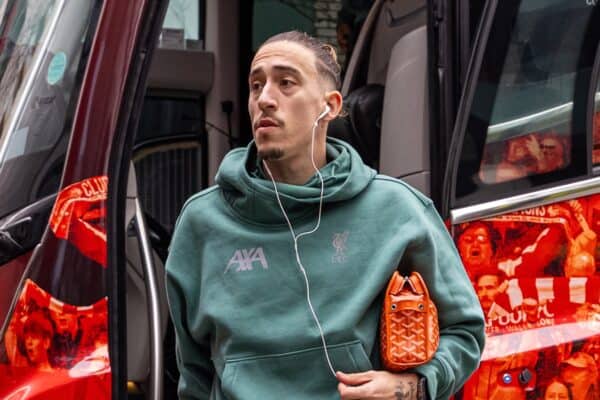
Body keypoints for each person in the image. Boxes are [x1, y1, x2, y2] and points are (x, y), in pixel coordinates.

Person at [165, 31, 485, 400]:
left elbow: (465, 331)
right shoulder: (202, 222)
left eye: (286, 83)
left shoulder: (398, 210)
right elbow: (194, 373)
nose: (265, 99)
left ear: (329, 106)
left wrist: (412, 387)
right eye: (256, 85)